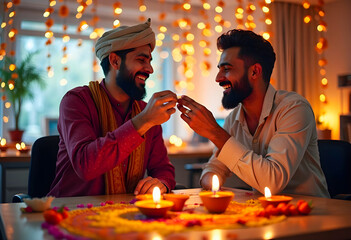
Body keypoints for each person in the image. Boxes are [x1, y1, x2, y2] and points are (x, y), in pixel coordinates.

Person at [177, 29, 330, 197]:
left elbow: (272, 182)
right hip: (263, 215)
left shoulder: (294, 108)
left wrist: (214, 132)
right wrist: (213, 183)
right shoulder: (233, 119)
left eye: (226, 69)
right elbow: (214, 169)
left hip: (310, 214)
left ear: (255, 72)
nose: (218, 78)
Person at [48, 18, 177, 197]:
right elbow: (86, 165)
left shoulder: (145, 111)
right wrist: (143, 121)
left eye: (149, 61)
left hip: (124, 216)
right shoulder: (76, 101)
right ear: (115, 61)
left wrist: (161, 183)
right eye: (141, 60)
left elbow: (163, 170)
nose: (149, 69)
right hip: (67, 213)